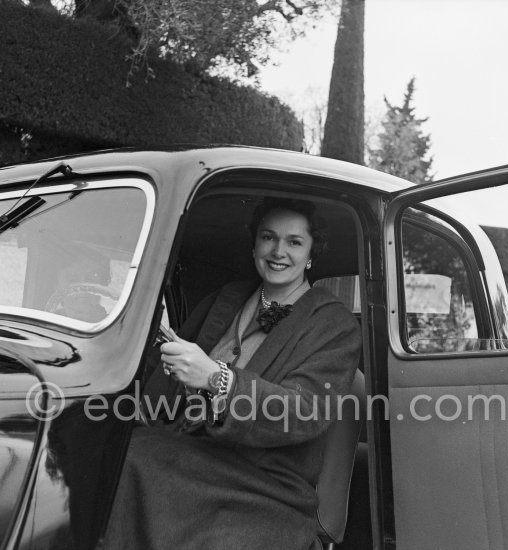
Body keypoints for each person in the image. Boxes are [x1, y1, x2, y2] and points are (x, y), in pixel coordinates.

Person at [103, 198, 362, 550]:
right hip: (188, 452)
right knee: (117, 451)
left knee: (135, 462)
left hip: (263, 483)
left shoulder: (334, 324)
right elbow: (167, 374)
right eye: (268, 237)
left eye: (295, 242)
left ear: (312, 253)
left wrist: (217, 379)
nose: (278, 251)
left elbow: (305, 412)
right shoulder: (227, 298)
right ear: (254, 243)